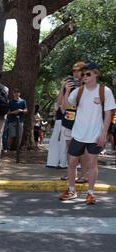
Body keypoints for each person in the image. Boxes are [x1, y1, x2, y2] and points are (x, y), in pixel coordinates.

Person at [59, 63, 116, 204]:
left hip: (95, 134)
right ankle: (71, 190)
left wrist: (104, 134)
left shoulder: (105, 91)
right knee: (71, 162)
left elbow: (109, 113)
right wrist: (66, 91)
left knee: (92, 163)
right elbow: (65, 107)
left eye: (88, 74)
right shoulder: (78, 91)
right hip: (78, 133)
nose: (84, 77)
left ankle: (90, 193)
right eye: (83, 74)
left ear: (96, 74)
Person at [58, 62, 88, 183]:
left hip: (82, 121)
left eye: (78, 70)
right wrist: (63, 88)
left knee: (81, 149)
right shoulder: (68, 84)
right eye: (73, 70)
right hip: (68, 119)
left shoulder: (87, 85)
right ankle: (70, 173)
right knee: (70, 148)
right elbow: (60, 103)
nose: (75, 73)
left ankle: (84, 175)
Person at [46, 102, 68, 168]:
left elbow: (64, 111)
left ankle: (63, 163)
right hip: (58, 122)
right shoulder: (56, 104)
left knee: (63, 143)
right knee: (54, 142)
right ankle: (52, 162)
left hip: (65, 122)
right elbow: (53, 114)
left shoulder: (70, 101)